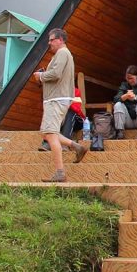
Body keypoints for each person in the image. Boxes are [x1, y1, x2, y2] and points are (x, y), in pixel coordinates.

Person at [33, 28, 88, 182]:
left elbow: (55, 74)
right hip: (57, 98)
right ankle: (76, 146)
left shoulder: (63, 53)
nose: (49, 43)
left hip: (56, 99)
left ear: (60, 40)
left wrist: (40, 76)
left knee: (50, 134)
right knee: (46, 132)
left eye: (51, 40)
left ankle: (60, 172)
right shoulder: (63, 54)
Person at [112, 65, 137, 139]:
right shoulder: (124, 85)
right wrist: (125, 96)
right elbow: (115, 99)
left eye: (131, 78)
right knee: (118, 104)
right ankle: (119, 132)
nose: (129, 80)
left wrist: (135, 97)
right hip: (128, 121)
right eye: (127, 78)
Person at [39, 86, 85, 151]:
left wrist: (62, 104)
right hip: (60, 119)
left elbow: (76, 108)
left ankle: (65, 144)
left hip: (76, 120)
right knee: (53, 112)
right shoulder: (55, 91)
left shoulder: (75, 90)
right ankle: (47, 143)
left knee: (70, 112)